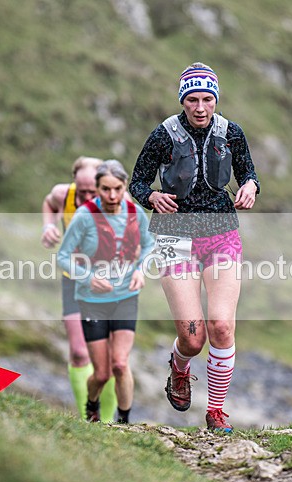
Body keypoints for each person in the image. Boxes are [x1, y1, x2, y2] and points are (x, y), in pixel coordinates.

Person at [129, 62, 259, 433]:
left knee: (221, 325)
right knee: (193, 336)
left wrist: (251, 186)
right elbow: (137, 182)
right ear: (182, 100)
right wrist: (151, 195)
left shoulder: (231, 132)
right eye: (192, 99)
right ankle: (179, 367)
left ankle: (216, 412)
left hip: (221, 232)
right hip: (173, 236)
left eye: (207, 99)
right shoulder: (163, 135)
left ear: (215, 100)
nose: (200, 107)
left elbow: (248, 172)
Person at [57, 159, 154, 423]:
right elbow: (63, 257)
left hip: (125, 297)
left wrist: (140, 270)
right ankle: (92, 405)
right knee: (101, 374)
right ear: (97, 189)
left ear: (125, 187)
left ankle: (124, 421)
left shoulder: (136, 213)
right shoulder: (84, 217)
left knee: (120, 364)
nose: (112, 196)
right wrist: (88, 278)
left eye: (118, 189)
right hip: (92, 301)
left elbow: (149, 245)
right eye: (105, 190)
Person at [41, 156, 117, 422]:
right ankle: (89, 418)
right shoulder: (63, 194)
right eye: (81, 190)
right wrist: (49, 226)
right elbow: (49, 205)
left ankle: (107, 422)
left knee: (106, 359)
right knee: (78, 352)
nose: (86, 196)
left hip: (106, 282)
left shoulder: (115, 197)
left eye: (91, 190)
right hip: (73, 279)